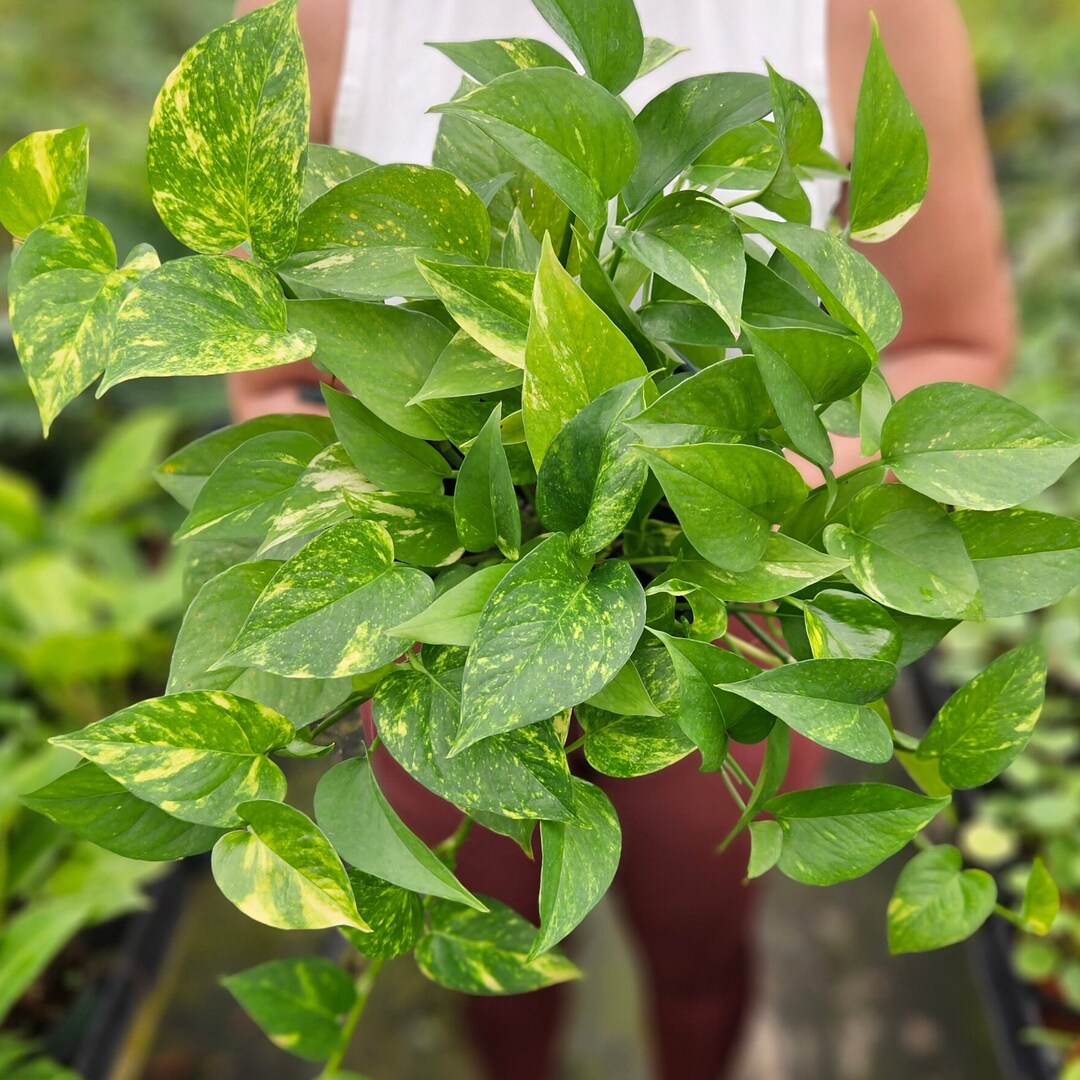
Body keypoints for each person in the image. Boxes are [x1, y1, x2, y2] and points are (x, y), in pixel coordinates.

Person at [229, 2, 1016, 1077]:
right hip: (424, 628)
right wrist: (427, 513)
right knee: (490, 956)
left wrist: (718, 489)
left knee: (701, 953)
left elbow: (952, 342)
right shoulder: (317, 14)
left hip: (726, 627)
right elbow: (268, 368)